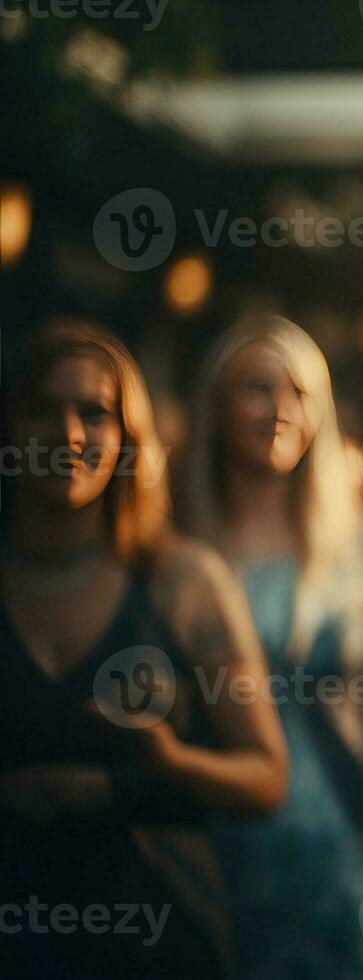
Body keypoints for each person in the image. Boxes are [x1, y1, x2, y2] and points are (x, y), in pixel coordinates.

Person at [0, 323, 289, 978]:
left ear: (130, 436)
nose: (68, 435)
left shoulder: (184, 583)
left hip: (158, 941)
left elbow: (266, 777)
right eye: (43, 408)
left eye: (95, 413)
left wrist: (157, 768)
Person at [181, 314, 363, 978]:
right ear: (217, 405)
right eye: (257, 389)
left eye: (298, 391)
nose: (280, 410)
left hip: (346, 853)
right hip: (217, 857)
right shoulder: (180, 552)